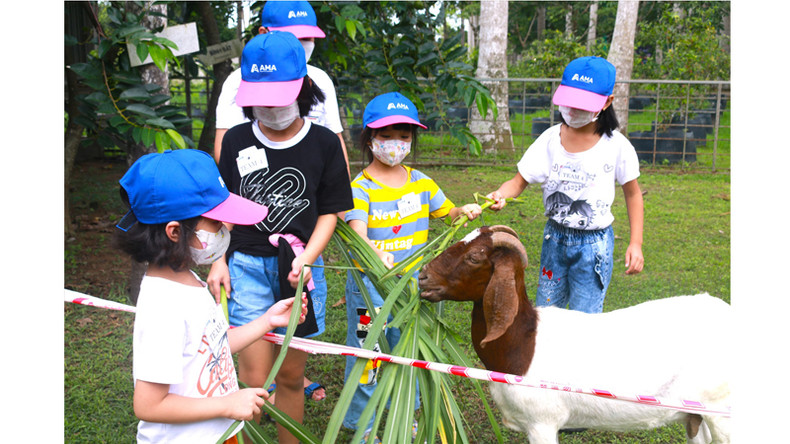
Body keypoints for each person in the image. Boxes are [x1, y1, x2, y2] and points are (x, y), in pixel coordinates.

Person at [207, 30, 353, 444]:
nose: (270, 107)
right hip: (247, 268)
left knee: (290, 375)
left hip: (300, 270)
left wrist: (308, 258)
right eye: (261, 97)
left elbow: (330, 212)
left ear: (303, 88)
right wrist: (219, 258)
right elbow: (224, 209)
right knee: (253, 378)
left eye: (279, 95)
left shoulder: (324, 144)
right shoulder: (235, 140)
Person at [114, 148, 308, 443]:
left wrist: (267, 321)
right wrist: (227, 404)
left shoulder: (187, 279)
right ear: (175, 232)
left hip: (218, 432)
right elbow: (148, 405)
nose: (224, 231)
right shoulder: (163, 307)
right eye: (216, 223)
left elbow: (212, 346)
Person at [342, 92, 482, 440]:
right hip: (369, 289)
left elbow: (447, 212)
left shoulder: (421, 182)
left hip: (416, 288)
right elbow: (357, 231)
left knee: (414, 352)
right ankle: (364, 425)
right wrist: (375, 252)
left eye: (404, 136)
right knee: (367, 356)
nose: (396, 144)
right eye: (387, 135)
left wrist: (463, 211)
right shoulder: (360, 188)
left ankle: (411, 417)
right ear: (369, 138)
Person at [487, 56, 644, 314]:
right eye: (569, 102)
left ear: (606, 102)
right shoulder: (549, 140)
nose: (573, 110)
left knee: (585, 319)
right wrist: (500, 195)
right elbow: (517, 182)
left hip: (594, 246)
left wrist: (635, 242)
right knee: (546, 315)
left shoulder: (617, 146)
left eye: (582, 105)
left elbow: (633, 194)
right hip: (555, 239)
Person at [214, 0, 349, 176]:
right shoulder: (238, 81)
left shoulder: (321, 80)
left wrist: (342, 184)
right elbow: (224, 145)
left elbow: (335, 139)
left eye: (306, 38)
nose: (298, 44)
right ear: (263, 33)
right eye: (291, 36)